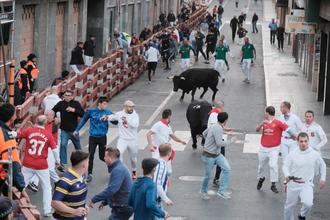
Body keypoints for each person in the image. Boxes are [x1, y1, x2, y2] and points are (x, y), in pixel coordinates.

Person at [18, 115, 60, 217]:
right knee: (46, 187)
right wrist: (57, 161)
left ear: (36, 121)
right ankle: (46, 210)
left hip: (28, 163)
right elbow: (54, 150)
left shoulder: (29, 131)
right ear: (45, 123)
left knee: (21, 185)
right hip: (41, 165)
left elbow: (17, 134)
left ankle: (16, 205)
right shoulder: (48, 135)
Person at [283, 132, 326, 220]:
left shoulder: (314, 154)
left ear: (308, 141)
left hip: (307, 184)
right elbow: (285, 166)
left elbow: (323, 165)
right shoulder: (292, 153)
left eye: (305, 141)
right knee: (289, 207)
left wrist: (322, 179)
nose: (303, 144)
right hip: (293, 184)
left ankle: (302, 215)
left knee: (308, 203)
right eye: (301, 141)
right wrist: (287, 175)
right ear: (298, 142)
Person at [256, 106, 296, 194]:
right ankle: (261, 178)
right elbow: (256, 129)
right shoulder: (264, 122)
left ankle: (273, 184)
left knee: (273, 165)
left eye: (265, 112)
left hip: (274, 148)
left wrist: (294, 136)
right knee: (261, 166)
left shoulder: (278, 123)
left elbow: (288, 129)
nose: (264, 114)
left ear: (267, 113)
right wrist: (261, 124)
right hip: (263, 148)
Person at [74, 96, 113, 183]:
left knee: (102, 156)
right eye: (104, 104)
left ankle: (111, 168)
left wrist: (112, 117)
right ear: (99, 103)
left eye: (106, 104)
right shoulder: (91, 111)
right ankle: (90, 174)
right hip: (93, 138)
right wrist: (77, 130)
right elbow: (83, 120)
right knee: (90, 156)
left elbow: (115, 122)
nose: (106, 106)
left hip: (102, 137)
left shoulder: (108, 112)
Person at [89, 147, 133, 220]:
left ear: (110, 158)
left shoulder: (118, 170)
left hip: (123, 207)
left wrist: (94, 199)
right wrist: (104, 202)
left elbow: (112, 190)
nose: (104, 158)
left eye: (105, 156)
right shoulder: (118, 167)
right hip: (120, 206)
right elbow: (114, 190)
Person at [201, 112, 236, 200]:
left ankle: (222, 191)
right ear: (225, 121)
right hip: (209, 155)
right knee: (208, 176)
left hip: (216, 154)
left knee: (227, 169)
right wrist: (231, 141)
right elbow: (219, 143)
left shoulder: (214, 126)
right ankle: (203, 192)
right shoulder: (218, 128)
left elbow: (204, 133)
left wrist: (208, 143)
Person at [0, 103, 30, 203]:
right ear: (11, 118)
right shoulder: (6, 136)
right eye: (15, 114)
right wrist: (22, 188)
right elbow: (14, 164)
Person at [103, 100, 139, 179]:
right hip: (122, 139)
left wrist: (127, 120)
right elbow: (111, 117)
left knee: (133, 158)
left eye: (133, 107)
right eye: (130, 107)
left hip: (132, 140)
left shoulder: (135, 115)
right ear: (125, 107)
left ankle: (134, 171)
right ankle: (121, 172)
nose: (132, 108)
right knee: (119, 154)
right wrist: (106, 117)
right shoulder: (119, 114)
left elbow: (135, 125)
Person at [28, 110, 60, 192]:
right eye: (44, 114)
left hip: (51, 149)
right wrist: (33, 127)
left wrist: (34, 128)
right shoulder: (45, 124)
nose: (45, 116)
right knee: (40, 166)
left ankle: (58, 182)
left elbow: (44, 134)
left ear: (52, 117)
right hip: (45, 147)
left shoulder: (53, 125)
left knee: (48, 168)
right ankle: (34, 183)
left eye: (47, 115)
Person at [52, 150, 90, 220]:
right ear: (84, 165)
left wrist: (84, 205)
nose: (89, 164)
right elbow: (55, 203)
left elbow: (75, 196)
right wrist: (74, 211)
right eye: (88, 162)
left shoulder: (82, 176)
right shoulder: (65, 181)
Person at [52, 89, 84, 168]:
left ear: (72, 97)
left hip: (74, 130)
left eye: (69, 95)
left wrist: (74, 110)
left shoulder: (76, 103)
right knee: (63, 145)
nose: (67, 97)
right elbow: (53, 110)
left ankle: (81, 161)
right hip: (64, 130)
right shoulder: (61, 104)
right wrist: (55, 118)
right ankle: (63, 163)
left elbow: (82, 113)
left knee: (78, 147)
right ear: (63, 96)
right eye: (66, 95)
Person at [153, 143, 174, 214]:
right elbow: (157, 184)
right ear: (169, 153)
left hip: (158, 199)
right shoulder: (161, 166)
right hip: (156, 199)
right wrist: (166, 199)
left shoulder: (162, 163)